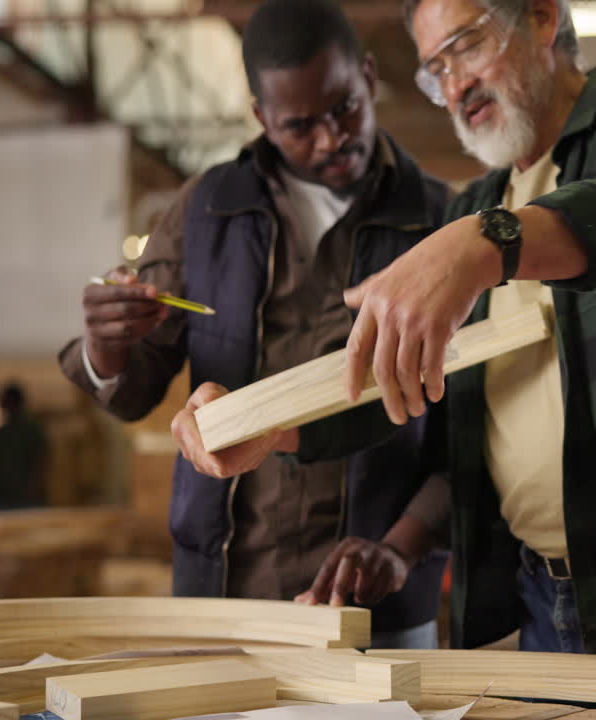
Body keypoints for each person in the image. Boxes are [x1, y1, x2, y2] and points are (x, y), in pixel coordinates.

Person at [175, 0, 596, 669]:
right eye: (436, 68)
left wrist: (488, 245)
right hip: (542, 595)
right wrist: (265, 424)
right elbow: (388, 363)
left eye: (467, 46)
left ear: (543, 18)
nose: (455, 84)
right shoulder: (477, 204)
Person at [58, 0, 451, 649]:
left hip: (377, 606)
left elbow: (465, 433)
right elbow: (134, 395)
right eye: (300, 125)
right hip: (222, 597)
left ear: (371, 76)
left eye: (345, 107)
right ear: (261, 118)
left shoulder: (440, 222)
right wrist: (107, 344)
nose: (331, 138)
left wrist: (401, 550)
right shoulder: (206, 210)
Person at [0, 382, 48, 510]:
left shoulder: (30, 431)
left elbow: (40, 461)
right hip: (2, 497)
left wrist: (33, 488)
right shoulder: (2, 433)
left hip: (21, 498)